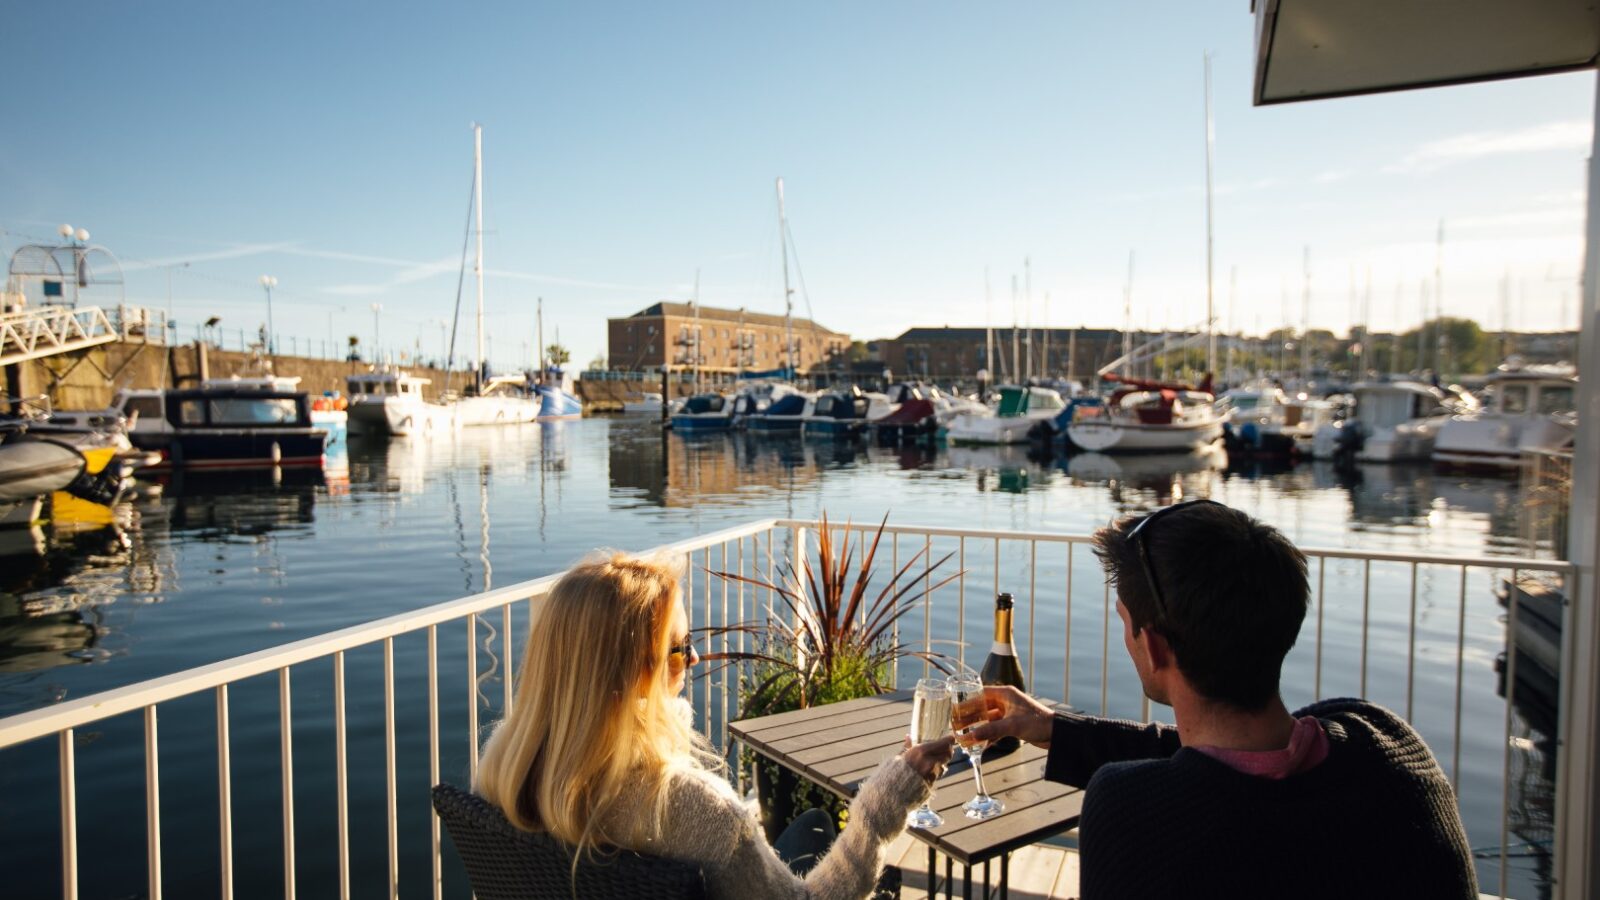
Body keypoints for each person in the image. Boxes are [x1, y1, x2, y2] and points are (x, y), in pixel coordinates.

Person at [966, 500, 1477, 899]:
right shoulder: (1385, 743)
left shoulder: (1135, 814)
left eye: (1125, 623)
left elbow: (1202, 782)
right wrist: (1054, 727)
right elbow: (1218, 765)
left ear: (1155, 646)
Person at [475, 551, 954, 900]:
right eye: (680, 648)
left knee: (810, 826)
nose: (697, 657)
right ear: (627, 675)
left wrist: (662, 722)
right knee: (818, 825)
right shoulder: (692, 808)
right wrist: (883, 805)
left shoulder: (508, 763)